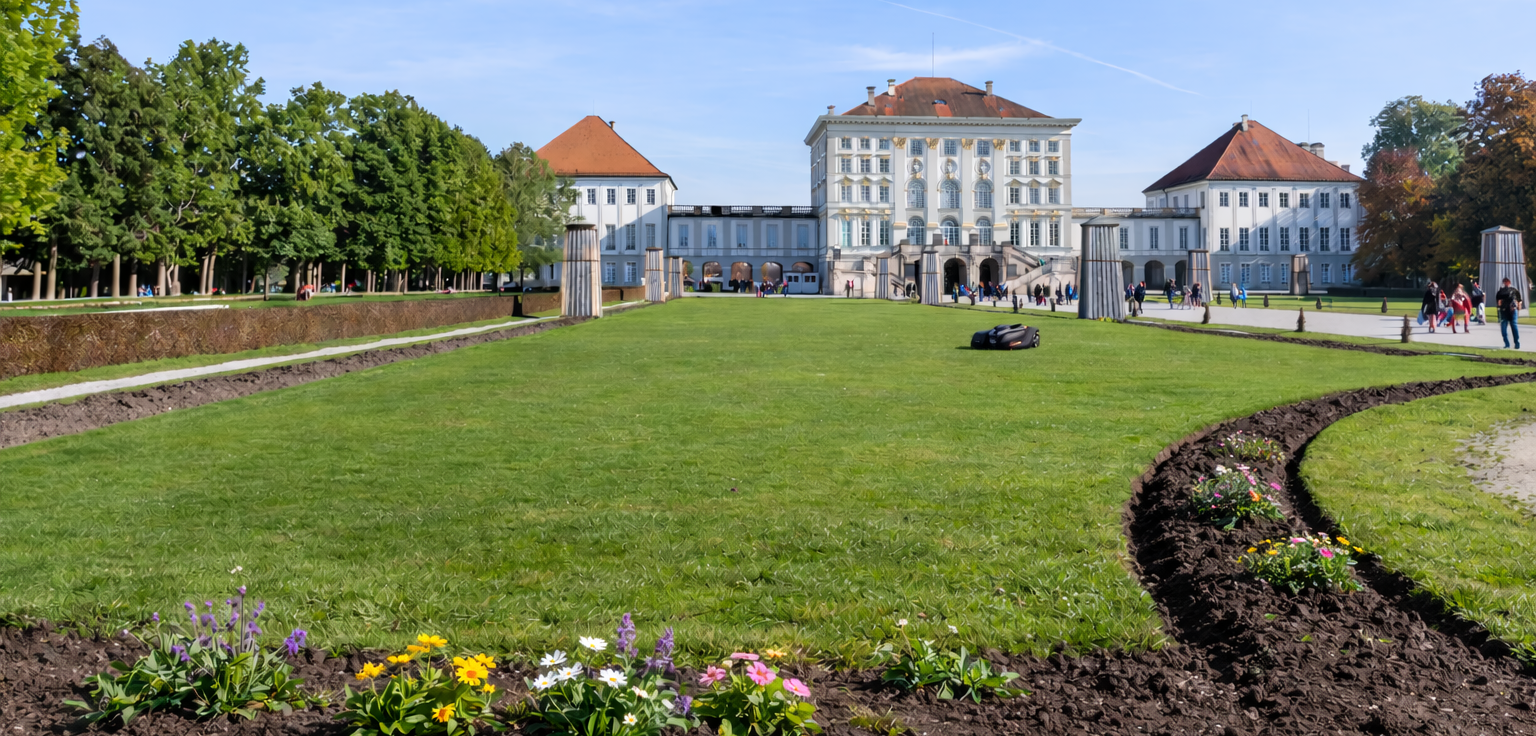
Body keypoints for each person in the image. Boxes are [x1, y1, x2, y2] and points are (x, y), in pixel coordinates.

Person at [1496, 277, 1523, 349]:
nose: (1505, 283)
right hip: (1504, 311)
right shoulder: (1500, 292)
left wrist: (1518, 306)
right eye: (1504, 281)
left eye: (1507, 281)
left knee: (1514, 326)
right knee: (1503, 328)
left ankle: (1516, 342)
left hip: (1512, 311)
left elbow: (1519, 300)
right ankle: (1507, 343)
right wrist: (1499, 312)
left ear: (1509, 282)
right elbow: (1498, 303)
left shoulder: (1514, 290)